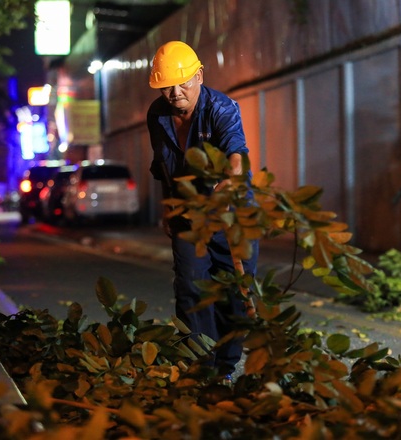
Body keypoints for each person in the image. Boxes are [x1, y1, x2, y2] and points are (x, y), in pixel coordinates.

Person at [146, 41, 259, 378]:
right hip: (186, 211)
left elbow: (236, 151)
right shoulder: (157, 114)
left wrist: (232, 178)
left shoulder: (221, 108)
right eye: (166, 85)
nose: (175, 92)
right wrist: (168, 208)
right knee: (191, 287)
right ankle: (200, 365)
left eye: (183, 83)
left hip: (229, 212)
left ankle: (225, 364)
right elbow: (163, 167)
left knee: (231, 291)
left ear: (199, 76)